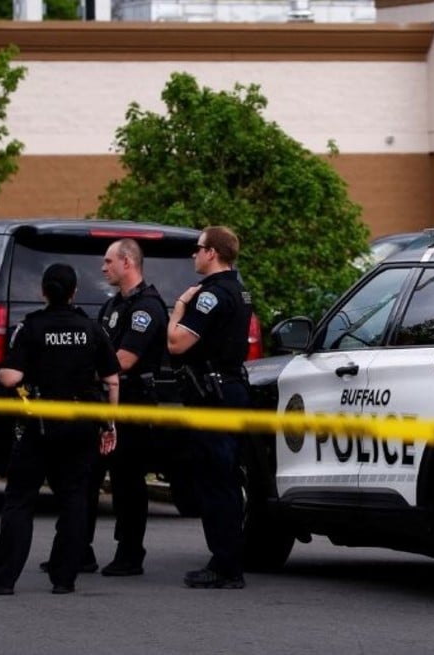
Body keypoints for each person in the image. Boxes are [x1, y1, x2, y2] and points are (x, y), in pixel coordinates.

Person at [0, 264, 120, 596]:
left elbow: (10, 378)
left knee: (20, 501)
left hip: (39, 425)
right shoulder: (91, 329)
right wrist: (108, 424)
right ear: (73, 293)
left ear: (44, 291)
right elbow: (111, 380)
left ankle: (2, 579)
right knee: (75, 499)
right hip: (82, 424)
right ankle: (64, 578)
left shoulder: (32, 328)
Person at [167, 226, 253, 590]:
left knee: (215, 481)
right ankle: (228, 559)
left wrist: (179, 308)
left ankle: (225, 565)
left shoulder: (210, 296)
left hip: (213, 395)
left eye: (197, 248)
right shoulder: (240, 290)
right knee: (227, 479)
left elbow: (176, 343)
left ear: (212, 253)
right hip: (230, 389)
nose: (193, 255)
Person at [88, 238, 170, 577]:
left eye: (109, 261)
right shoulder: (112, 307)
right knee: (88, 475)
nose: (103, 267)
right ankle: (78, 548)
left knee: (127, 480)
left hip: (133, 403)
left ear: (127, 262)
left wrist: (80, 371)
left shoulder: (147, 308)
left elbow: (124, 359)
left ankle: (130, 552)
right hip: (104, 402)